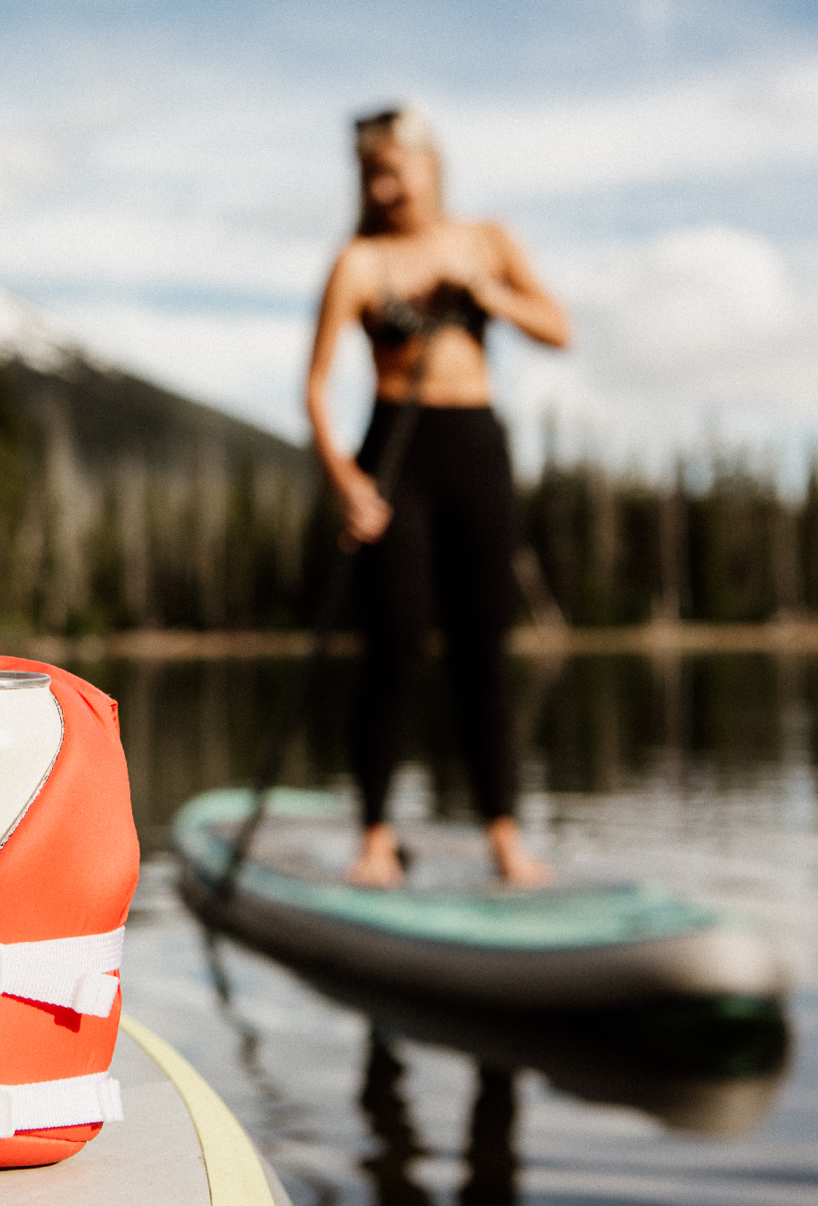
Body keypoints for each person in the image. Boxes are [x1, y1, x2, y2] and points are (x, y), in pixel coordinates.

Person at [305, 106, 570, 889]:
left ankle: (504, 837)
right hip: (395, 455)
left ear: (430, 166)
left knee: (482, 654)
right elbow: (317, 388)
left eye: (392, 168)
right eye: (369, 173)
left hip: (476, 450)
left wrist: (486, 292)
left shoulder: (484, 241)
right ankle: (376, 837)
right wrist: (347, 484)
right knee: (393, 650)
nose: (382, 185)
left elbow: (558, 328)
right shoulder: (359, 262)